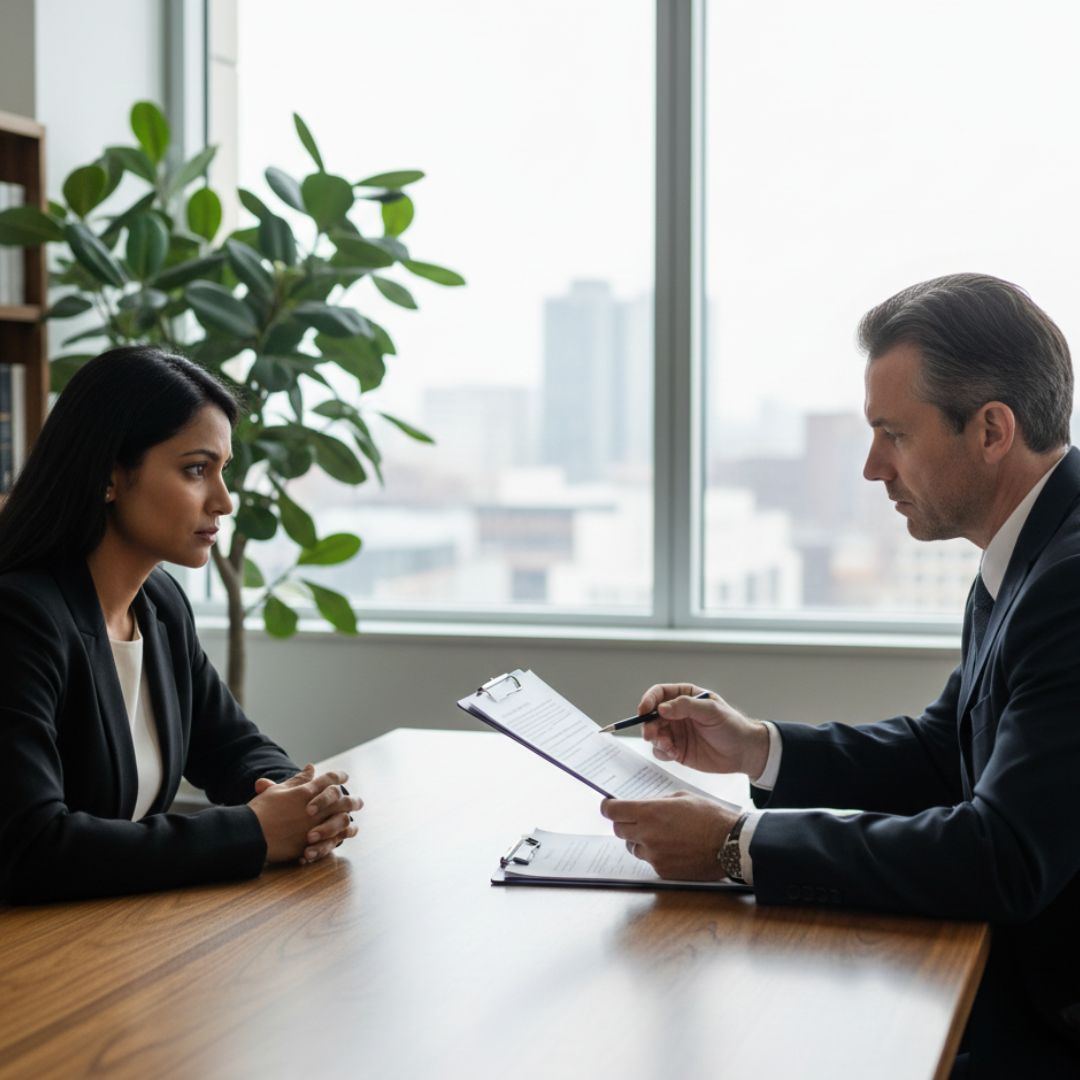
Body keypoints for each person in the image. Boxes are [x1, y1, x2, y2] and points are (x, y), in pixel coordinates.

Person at [601, 273, 1080, 1076]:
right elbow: (943, 752)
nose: (870, 467)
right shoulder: (1027, 554)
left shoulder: (1068, 582)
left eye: (893, 433)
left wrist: (735, 845)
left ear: (992, 430)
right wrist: (757, 749)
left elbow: (1002, 855)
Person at [0, 345, 362, 904]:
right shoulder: (20, 618)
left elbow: (233, 748)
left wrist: (306, 801)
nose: (224, 501)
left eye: (222, 471)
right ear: (109, 476)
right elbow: (32, 845)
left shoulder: (160, 603)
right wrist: (257, 831)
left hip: (106, 936)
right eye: (196, 470)